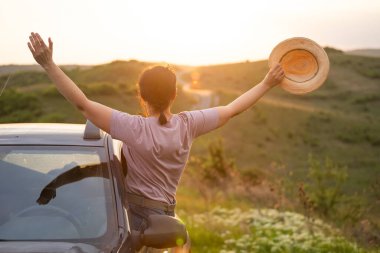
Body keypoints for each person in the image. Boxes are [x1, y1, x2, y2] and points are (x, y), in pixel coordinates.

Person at [27, 32, 285, 232]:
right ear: (174, 94)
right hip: (166, 218)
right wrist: (266, 83)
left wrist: (49, 64)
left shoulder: (133, 128)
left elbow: (82, 103)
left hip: (137, 220)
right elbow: (231, 109)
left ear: (141, 95)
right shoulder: (188, 124)